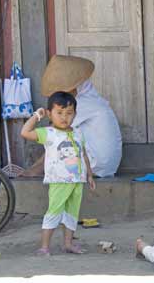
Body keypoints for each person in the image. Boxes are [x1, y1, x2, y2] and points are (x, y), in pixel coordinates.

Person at [21, 55, 122, 178]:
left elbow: (54, 135)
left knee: (59, 136)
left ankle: (38, 171)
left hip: (97, 166)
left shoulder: (83, 103)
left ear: (74, 87)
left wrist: (35, 169)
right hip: (106, 167)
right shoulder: (93, 99)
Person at [21, 91, 96, 255]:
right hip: (59, 181)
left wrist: (89, 175)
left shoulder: (78, 132)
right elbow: (25, 132)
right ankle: (44, 246)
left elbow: (83, 155)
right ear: (50, 113)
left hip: (77, 181)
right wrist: (36, 116)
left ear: (75, 114)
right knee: (54, 212)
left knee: (72, 214)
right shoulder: (48, 133)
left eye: (69, 113)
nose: (64, 117)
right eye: (59, 113)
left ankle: (68, 244)